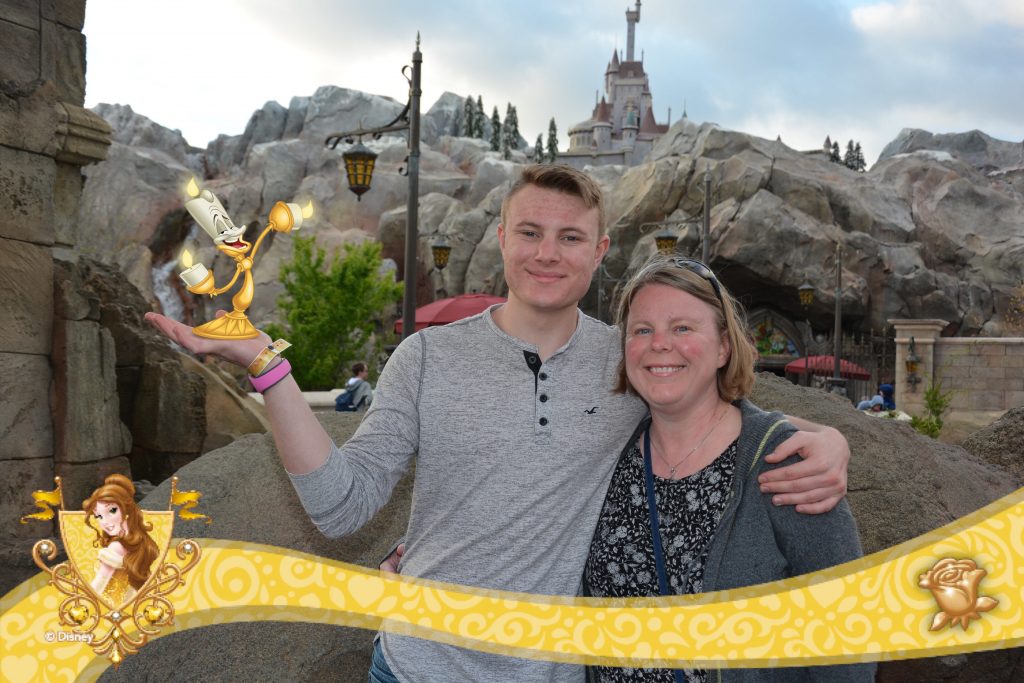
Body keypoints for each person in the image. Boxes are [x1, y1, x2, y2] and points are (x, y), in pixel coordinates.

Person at [145, 165, 851, 682]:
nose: (549, 252)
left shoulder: (628, 357)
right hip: (418, 666)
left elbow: (705, 400)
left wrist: (820, 440)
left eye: (571, 236)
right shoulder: (426, 356)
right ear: (504, 238)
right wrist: (269, 368)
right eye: (532, 232)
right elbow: (341, 505)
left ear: (599, 251)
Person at [584, 255, 873, 682]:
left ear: (723, 347)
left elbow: (847, 639)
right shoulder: (611, 452)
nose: (660, 343)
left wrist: (833, 438)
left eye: (682, 328)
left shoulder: (785, 461)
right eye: (643, 330)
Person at [83, 474, 160, 606]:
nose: (105, 522)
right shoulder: (143, 539)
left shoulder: (115, 548)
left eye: (112, 511)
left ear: (127, 509)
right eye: (99, 516)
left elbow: (95, 590)